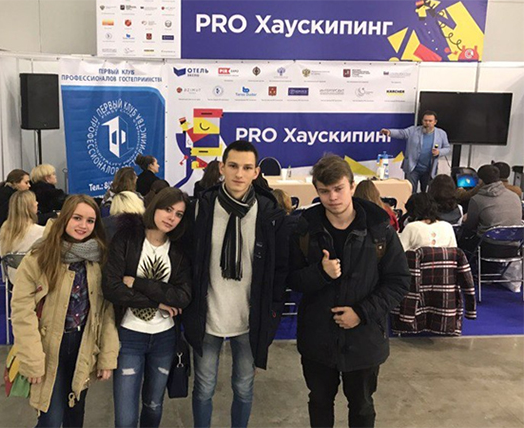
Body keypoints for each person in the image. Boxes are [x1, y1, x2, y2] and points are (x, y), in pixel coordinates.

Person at [288, 154, 410, 428]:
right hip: (317, 338)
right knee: (319, 402)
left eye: (339, 188)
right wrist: (320, 273)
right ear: (316, 191)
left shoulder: (380, 230)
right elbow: (291, 280)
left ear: (352, 186)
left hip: (364, 339)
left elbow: (399, 281)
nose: (332, 197)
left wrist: (362, 313)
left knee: (362, 406)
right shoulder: (304, 230)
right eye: (324, 191)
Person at [182, 140, 290, 428]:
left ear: (256, 172)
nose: (239, 174)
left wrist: (272, 315)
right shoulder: (202, 208)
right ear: (222, 168)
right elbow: (186, 259)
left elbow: (279, 271)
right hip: (209, 316)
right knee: (203, 388)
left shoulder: (269, 214)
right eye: (233, 166)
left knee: (243, 388)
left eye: (246, 168)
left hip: (248, 320)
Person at [10, 194, 118, 428]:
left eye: (90, 221)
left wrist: (107, 356)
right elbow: (22, 311)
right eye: (77, 218)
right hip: (48, 348)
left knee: (75, 414)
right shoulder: (40, 256)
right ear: (65, 218)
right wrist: (32, 359)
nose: (83, 225)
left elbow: (106, 311)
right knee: (50, 417)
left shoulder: (98, 258)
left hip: (83, 346)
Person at [102, 188, 192, 428]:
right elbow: (111, 288)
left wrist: (138, 283)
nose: (171, 217)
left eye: (179, 214)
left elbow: (182, 296)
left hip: (164, 338)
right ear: (154, 207)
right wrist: (157, 302)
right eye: (167, 209)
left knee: (153, 405)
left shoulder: (178, 250)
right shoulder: (127, 238)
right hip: (129, 336)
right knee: (125, 417)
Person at [380, 110, 450, 193]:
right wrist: (389, 132)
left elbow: (447, 148)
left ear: (435, 122)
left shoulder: (441, 134)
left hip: (429, 170)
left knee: (428, 194)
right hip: (412, 168)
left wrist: (439, 152)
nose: (427, 123)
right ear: (422, 121)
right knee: (410, 192)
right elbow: (401, 133)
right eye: (425, 120)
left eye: (430, 121)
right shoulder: (413, 130)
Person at [460, 164, 522, 257]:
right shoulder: (515, 196)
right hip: (513, 248)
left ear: (480, 181)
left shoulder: (477, 199)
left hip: (489, 247)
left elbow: (470, 226)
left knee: (463, 240)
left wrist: (465, 218)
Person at [0, 190, 45, 283]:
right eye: (34, 201)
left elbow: (2, 254)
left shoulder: (5, 229)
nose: (37, 203)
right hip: (34, 278)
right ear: (29, 207)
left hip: (13, 277)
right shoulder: (42, 231)